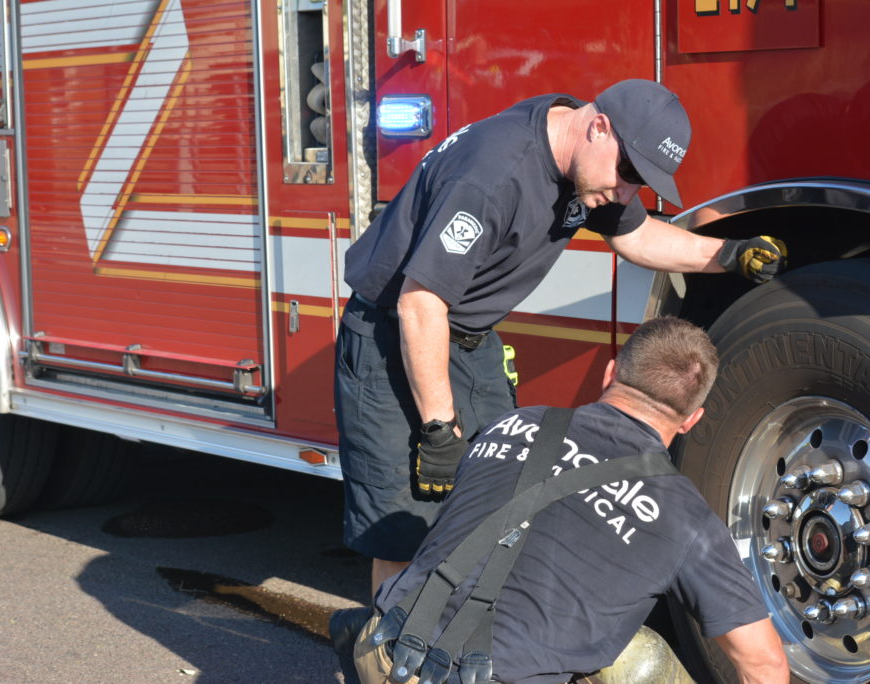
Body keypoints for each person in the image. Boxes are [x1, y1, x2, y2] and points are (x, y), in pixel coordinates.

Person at [335, 78, 788, 594]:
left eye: (641, 181)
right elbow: (420, 303)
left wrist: (728, 254)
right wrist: (439, 429)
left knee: (496, 504)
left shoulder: (584, 160)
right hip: (396, 342)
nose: (627, 192)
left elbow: (636, 236)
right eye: (629, 173)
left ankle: (457, 636)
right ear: (598, 127)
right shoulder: (494, 174)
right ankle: (389, 641)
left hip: (467, 339)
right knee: (405, 531)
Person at [347, 315, 789, 684]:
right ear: (692, 420)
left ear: (610, 373)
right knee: (641, 660)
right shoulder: (686, 516)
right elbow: (763, 664)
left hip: (384, 653)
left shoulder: (512, 423)